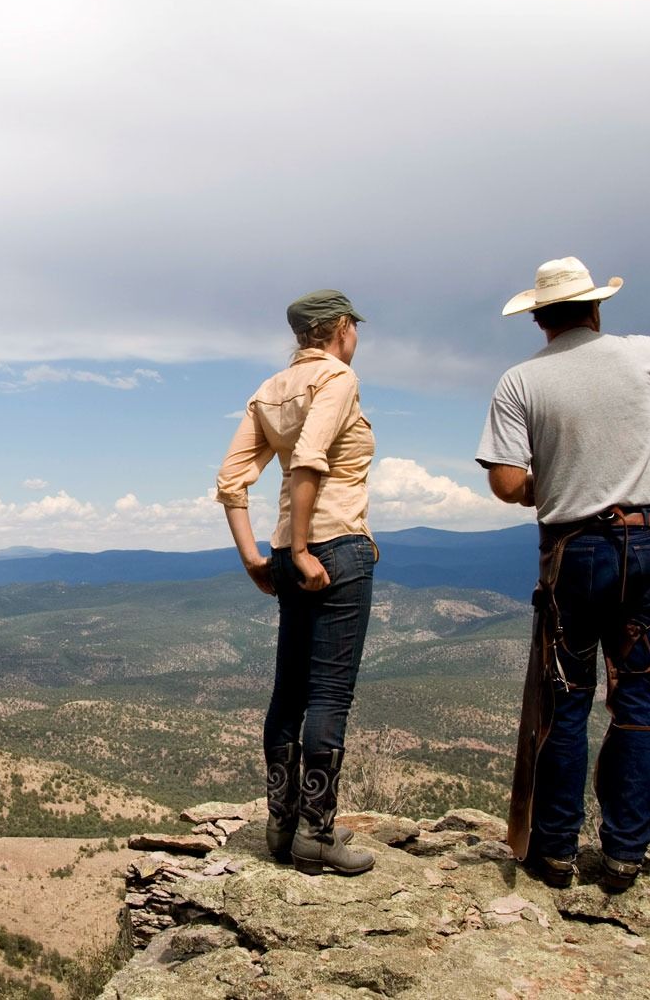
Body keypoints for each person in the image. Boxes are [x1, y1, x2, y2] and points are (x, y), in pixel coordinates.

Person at [475, 257, 650, 892]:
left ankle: (554, 851)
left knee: (565, 700)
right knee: (639, 697)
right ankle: (626, 850)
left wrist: (553, 477)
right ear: (596, 308)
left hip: (576, 551)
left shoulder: (520, 382)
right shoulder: (635, 354)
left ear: (540, 318)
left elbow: (507, 481)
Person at [216, 289, 379, 876]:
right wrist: (308, 548)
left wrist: (257, 557)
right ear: (339, 327)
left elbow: (232, 480)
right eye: (353, 328)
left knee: (289, 691)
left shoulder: (268, 390)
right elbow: (311, 457)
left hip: (285, 552)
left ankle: (280, 827)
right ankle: (317, 834)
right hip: (333, 549)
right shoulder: (337, 378)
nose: (355, 337)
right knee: (329, 695)